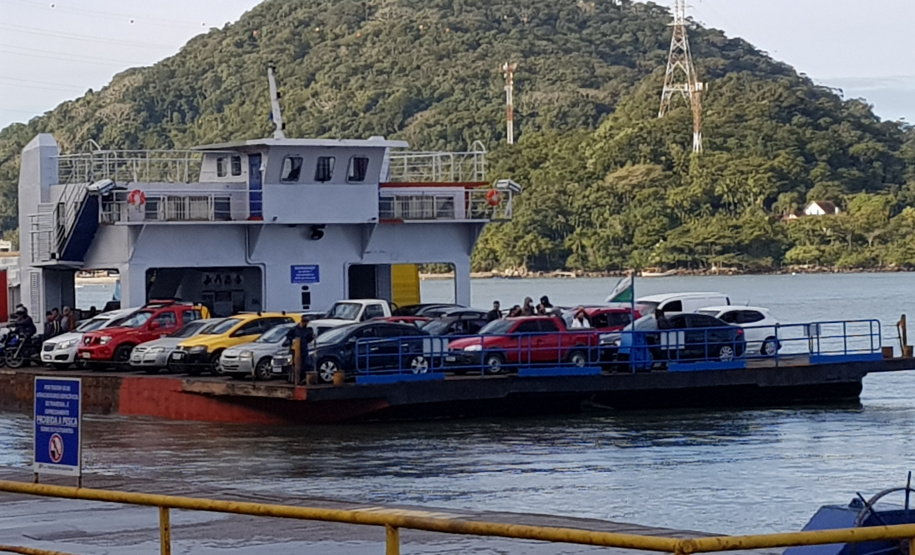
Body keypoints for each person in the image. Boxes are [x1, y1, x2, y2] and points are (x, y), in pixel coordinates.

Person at [286, 315, 315, 384]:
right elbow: (288, 336)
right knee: (295, 365)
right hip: (296, 351)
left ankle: (302, 379)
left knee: (305, 365)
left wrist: (312, 337)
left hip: (304, 350)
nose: (306, 324)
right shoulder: (294, 329)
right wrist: (292, 341)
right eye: (305, 322)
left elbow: (308, 339)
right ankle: (294, 379)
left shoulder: (307, 330)